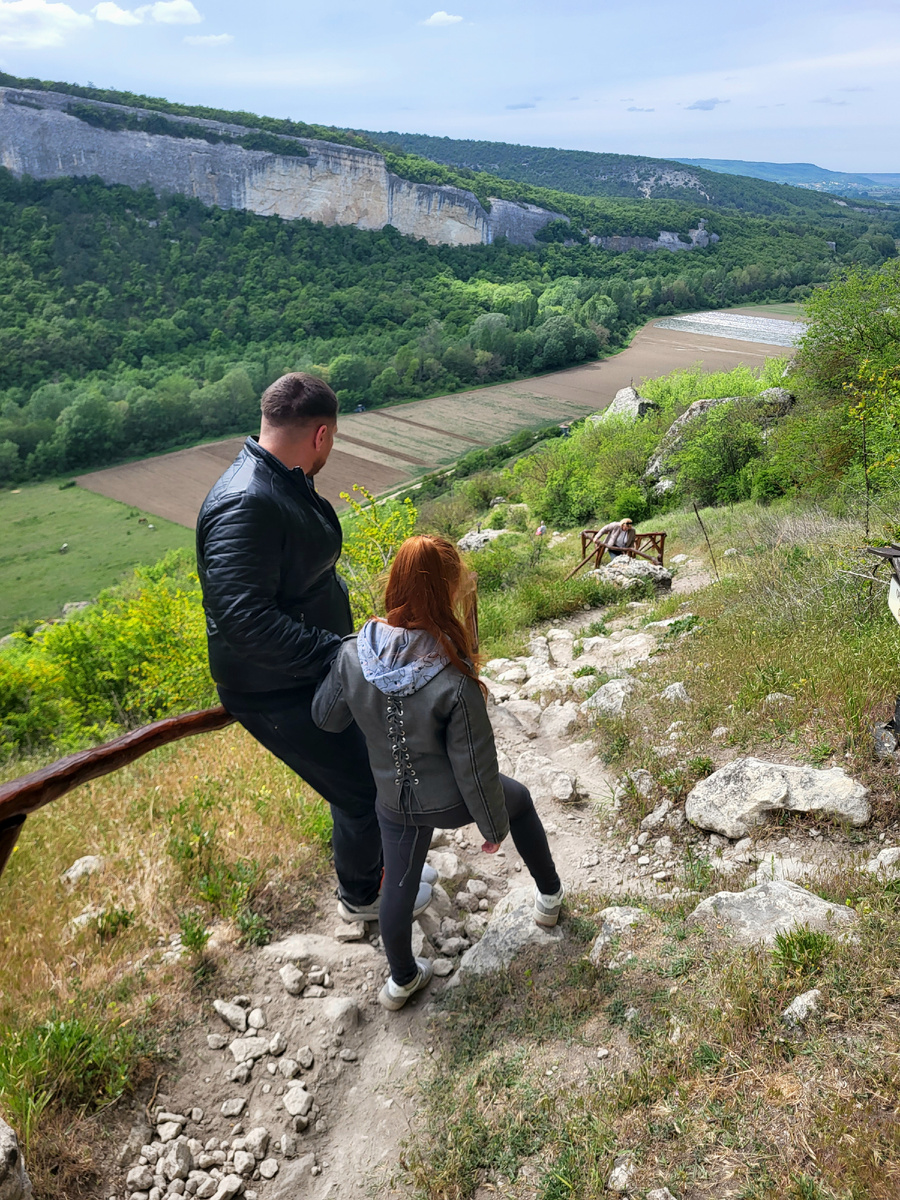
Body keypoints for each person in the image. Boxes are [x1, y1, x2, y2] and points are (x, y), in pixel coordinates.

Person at [196, 373, 433, 925]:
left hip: (307, 672)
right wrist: (341, 652)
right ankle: (363, 896)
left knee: (368, 772)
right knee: (359, 789)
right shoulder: (245, 502)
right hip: (272, 689)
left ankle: (378, 871)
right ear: (322, 434)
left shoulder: (280, 478)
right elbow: (245, 622)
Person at [312, 535, 564, 1011]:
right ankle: (549, 899)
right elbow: (476, 767)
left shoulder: (352, 653)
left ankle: (401, 981)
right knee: (521, 800)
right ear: (447, 589)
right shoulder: (452, 675)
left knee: (398, 882)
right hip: (451, 803)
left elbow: (327, 718)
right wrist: (492, 827)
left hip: (392, 802)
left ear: (394, 582)